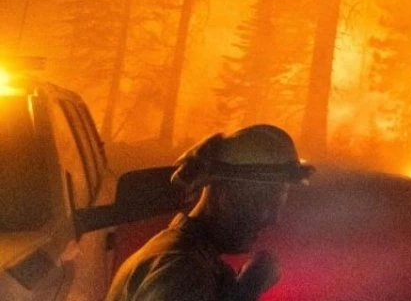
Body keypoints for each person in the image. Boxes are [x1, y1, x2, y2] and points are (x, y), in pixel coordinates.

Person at [106, 124, 314, 301]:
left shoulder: (185, 258)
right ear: (225, 194)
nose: (273, 220)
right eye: (266, 205)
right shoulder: (182, 270)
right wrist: (244, 294)